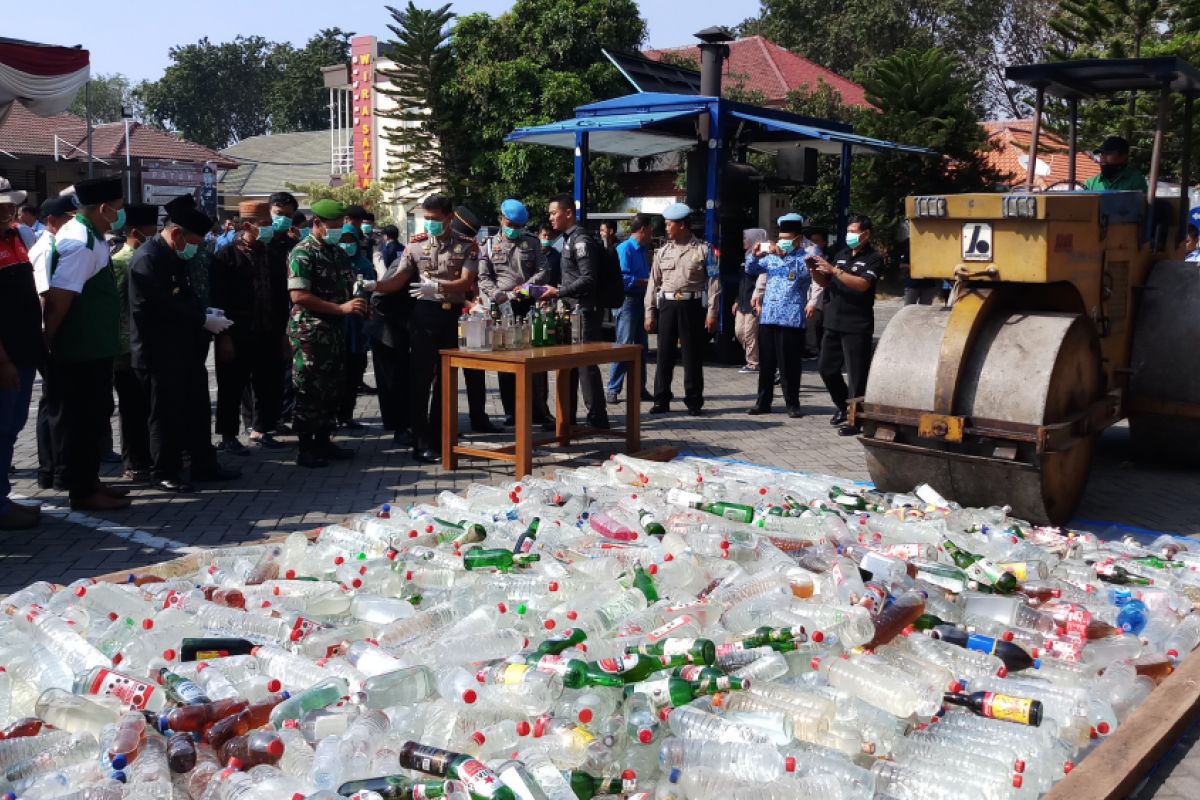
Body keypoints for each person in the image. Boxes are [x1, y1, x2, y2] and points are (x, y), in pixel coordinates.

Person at [130, 196, 239, 492]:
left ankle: (204, 464)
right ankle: (165, 471)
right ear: (177, 233)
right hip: (159, 352)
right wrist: (201, 320)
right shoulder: (148, 258)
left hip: (185, 349)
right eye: (194, 241)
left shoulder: (175, 255)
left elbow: (186, 296)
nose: (196, 248)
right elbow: (161, 304)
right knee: (164, 415)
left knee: (197, 408)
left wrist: (205, 314)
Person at [39, 176, 128, 510]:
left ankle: (90, 481)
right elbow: (59, 298)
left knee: (94, 417)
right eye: (116, 210)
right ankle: (82, 490)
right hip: (78, 350)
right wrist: (48, 340)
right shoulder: (79, 242)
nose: (119, 216)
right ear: (103, 209)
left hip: (94, 347)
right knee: (79, 420)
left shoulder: (91, 235)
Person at [371, 194, 479, 463]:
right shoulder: (415, 246)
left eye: (435, 219)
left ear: (449, 218)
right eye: (426, 219)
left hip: (452, 319)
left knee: (446, 382)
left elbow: (466, 282)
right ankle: (420, 443)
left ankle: (441, 439)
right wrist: (374, 285)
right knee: (419, 382)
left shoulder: (466, 245)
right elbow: (398, 280)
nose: (429, 224)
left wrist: (439, 287)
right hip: (423, 318)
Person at [287, 199, 366, 468]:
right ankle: (305, 447)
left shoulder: (336, 252)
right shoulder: (302, 253)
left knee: (332, 387)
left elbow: (349, 284)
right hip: (310, 332)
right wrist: (340, 308)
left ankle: (323, 440)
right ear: (317, 223)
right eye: (332, 226)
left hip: (334, 330)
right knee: (308, 387)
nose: (337, 231)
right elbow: (299, 295)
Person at [211, 201, 290, 456]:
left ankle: (262, 429)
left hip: (268, 331)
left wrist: (282, 333)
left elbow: (280, 296)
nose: (268, 230)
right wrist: (223, 338)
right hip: (237, 332)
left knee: (269, 382)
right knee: (232, 386)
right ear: (247, 226)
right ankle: (228, 435)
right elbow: (218, 301)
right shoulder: (226, 257)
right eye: (264, 225)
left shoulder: (272, 255)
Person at [478, 198, 554, 428]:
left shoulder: (531, 243)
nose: (514, 229)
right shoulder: (488, 245)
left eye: (518, 226)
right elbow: (483, 277)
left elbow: (544, 270)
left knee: (536, 360)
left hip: (526, 304)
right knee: (507, 361)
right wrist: (498, 295)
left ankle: (540, 411)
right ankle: (511, 410)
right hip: (502, 306)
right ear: (501, 219)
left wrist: (527, 287)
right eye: (510, 224)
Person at [538, 193, 609, 429]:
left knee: (585, 364)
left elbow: (589, 279)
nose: (550, 218)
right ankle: (566, 417)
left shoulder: (581, 240)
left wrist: (558, 292)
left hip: (584, 312)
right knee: (568, 363)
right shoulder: (567, 239)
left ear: (568, 212)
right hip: (571, 311)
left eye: (553, 212)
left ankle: (597, 418)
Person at [811, 214, 884, 436]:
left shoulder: (874, 258)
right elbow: (826, 282)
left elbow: (862, 284)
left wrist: (834, 271)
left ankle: (855, 420)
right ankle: (843, 407)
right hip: (833, 320)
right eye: (849, 231)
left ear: (866, 234)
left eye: (854, 231)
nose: (850, 235)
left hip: (856, 323)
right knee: (826, 368)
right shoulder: (841, 254)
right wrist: (815, 270)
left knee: (856, 375)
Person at [644, 202, 720, 416]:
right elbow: (652, 283)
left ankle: (694, 400)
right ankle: (661, 399)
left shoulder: (704, 250)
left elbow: (714, 282)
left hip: (692, 305)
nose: (666, 228)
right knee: (664, 354)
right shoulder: (662, 252)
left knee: (692, 355)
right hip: (667, 305)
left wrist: (712, 312)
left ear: (682, 225)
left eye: (670, 224)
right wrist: (650, 312)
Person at [0, 180, 45, 529]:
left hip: (24, 353)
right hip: (6, 358)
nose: (7, 211)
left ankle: (3, 497)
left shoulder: (16, 238)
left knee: (12, 428)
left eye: (9, 205)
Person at [746, 213, 813, 418]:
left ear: (798, 239)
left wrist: (785, 256)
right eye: (781, 238)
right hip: (769, 316)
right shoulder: (771, 257)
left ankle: (792, 403)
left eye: (788, 239)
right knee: (767, 363)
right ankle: (762, 402)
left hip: (791, 317)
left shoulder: (805, 258)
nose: (783, 243)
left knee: (789, 364)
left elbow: (805, 274)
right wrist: (755, 254)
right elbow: (751, 269)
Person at [109, 204, 158, 481]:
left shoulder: (149, 257)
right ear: (135, 232)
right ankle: (134, 462)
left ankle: (148, 456)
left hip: (147, 344)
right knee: (131, 409)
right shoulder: (120, 262)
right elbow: (116, 307)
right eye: (149, 233)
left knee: (147, 406)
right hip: (126, 349)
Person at [368, 227, 413, 447]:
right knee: (394, 381)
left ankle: (410, 423)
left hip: (404, 328)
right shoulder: (404, 264)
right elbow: (379, 298)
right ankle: (399, 427)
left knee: (408, 379)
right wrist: (403, 324)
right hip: (386, 330)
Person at [607, 214, 653, 403]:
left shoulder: (642, 250)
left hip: (641, 300)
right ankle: (613, 388)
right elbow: (623, 279)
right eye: (650, 229)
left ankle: (639, 388)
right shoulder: (625, 249)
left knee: (641, 347)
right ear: (643, 229)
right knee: (623, 345)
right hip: (627, 301)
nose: (652, 234)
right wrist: (647, 281)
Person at [336, 223, 375, 428]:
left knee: (354, 372)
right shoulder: (332, 262)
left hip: (357, 326)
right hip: (336, 323)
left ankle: (346, 414)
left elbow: (374, 292)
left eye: (350, 241)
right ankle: (331, 415)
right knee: (335, 373)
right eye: (343, 241)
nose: (346, 245)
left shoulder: (365, 265)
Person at [733, 228, 768, 374]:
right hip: (742, 302)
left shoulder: (763, 260)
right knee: (739, 332)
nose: (743, 241)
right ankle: (753, 357)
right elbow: (742, 283)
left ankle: (753, 363)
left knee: (749, 333)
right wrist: (736, 300)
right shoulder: (746, 259)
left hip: (753, 303)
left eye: (746, 238)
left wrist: (758, 300)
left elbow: (762, 283)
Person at [1083, 136, 1148, 192]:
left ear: (1123, 157)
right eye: (1102, 153)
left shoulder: (1135, 180)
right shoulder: (1091, 183)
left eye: (1108, 153)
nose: (1103, 157)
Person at [896, 221, 936, 305]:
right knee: (908, 310)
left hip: (928, 284)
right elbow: (902, 265)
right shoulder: (908, 244)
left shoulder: (932, 243)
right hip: (912, 284)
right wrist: (918, 268)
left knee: (925, 311)